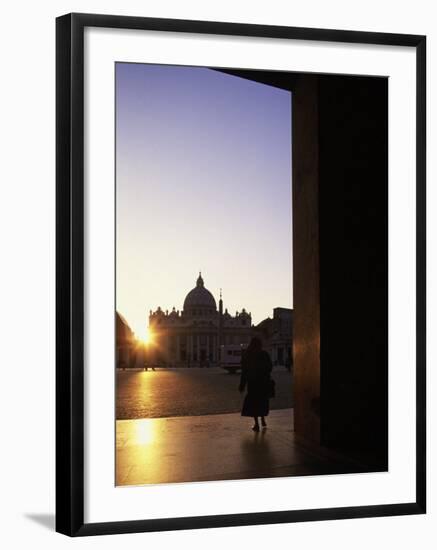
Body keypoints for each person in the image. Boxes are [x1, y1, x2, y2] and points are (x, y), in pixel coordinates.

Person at [238, 337, 273, 432]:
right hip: (263, 383)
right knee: (262, 402)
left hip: (253, 383)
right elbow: (270, 367)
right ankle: (263, 419)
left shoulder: (248, 355)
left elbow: (244, 372)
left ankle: (256, 424)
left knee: (254, 404)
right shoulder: (264, 354)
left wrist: (242, 385)